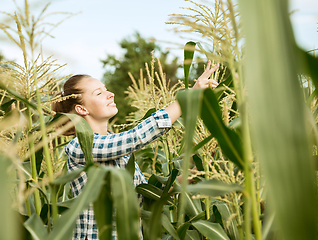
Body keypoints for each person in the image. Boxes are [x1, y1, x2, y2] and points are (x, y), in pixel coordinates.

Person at [52, 60, 219, 240]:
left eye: (106, 89)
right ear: (81, 108)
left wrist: (193, 173)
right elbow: (135, 137)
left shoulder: (119, 151)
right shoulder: (80, 146)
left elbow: (143, 194)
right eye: (99, 93)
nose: (110, 94)